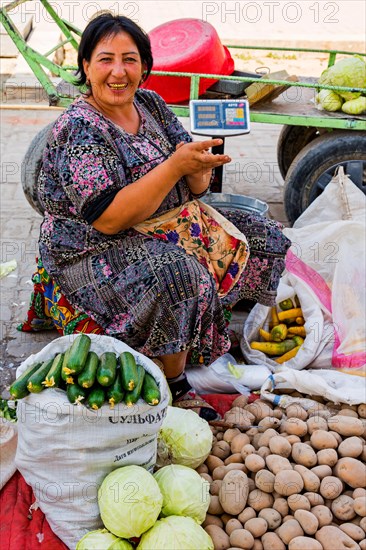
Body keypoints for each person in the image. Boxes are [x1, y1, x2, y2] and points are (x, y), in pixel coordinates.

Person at [37, 13, 291, 420]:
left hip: (169, 218)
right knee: (176, 275)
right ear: (85, 66)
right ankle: (175, 383)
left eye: (130, 59)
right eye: (105, 60)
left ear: (145, 66)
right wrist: (175, 166)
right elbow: (108, 219)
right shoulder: (79, 129)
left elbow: (197, 187)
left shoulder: (150, 103)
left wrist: (199, 164)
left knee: (263, 234)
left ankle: (212, 334)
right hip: (93, 245)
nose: (118, 72)